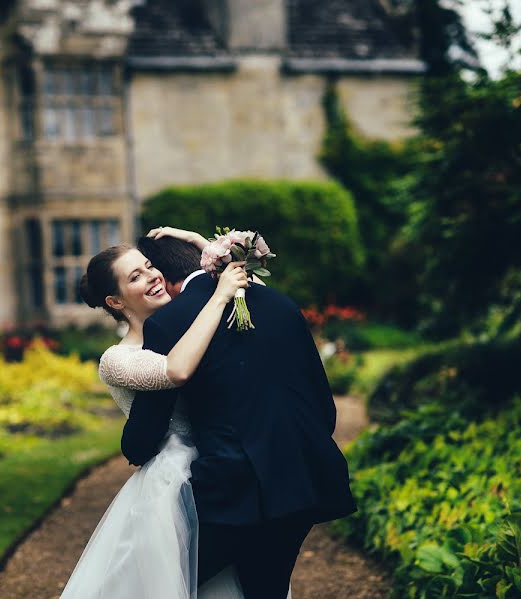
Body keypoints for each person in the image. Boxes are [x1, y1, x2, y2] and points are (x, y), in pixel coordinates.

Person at [121, 228, 357, 598]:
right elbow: (322, 404)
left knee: (163, 587)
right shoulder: (280, 303)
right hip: (303, 479)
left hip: (233, 490)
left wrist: (134, 447)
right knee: (266, 588)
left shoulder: (170, 321)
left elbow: (147, 428)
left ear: (164, 280)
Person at [61, 237, 250, 598]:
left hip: (221, 461)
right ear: (115, 302)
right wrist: (220, 296)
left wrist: (201, 246)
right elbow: (175, 370)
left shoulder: (189, 320)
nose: (152, 276)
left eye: (149, 266)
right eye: (135, 276)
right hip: (172, 482)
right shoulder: (117, 359)